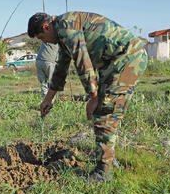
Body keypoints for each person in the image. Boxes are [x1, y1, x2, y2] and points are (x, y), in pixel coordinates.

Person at [27, 12, 148, 182]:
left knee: (104, 111)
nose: (44, 42)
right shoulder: (62, 33)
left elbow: (82, 60)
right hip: (116, 62)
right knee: (106, 112)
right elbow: (61, 68)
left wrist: (93, 97)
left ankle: (102, 172)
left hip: (127, 59)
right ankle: (107, 159)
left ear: (46, 27)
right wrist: (48, 98)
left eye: (42, 37)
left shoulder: (66, 25)